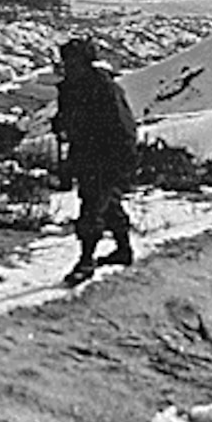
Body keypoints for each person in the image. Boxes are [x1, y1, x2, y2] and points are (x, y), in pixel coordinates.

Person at [52, 37, 138, 286]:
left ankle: (86, 260)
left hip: (108, 154)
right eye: (66, 61)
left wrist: (123, 158)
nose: (68, 66)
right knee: (107, 202)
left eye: (72, 61)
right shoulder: (70, 88)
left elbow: (123, 126)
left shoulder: (104, 88)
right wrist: (60, 125)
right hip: (85, 153)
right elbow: (67, 118)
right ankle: (123, 250)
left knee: (92, 204)